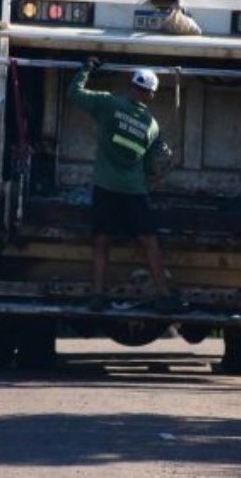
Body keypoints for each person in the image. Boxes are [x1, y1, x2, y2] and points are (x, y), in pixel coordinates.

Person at [66, 56, 179, 313]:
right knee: (149, 242)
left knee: (102, 241)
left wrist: (87, 68)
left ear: (131, 85)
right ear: (151, 95)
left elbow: (74, 93)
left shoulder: (109, 104)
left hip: (105, 188)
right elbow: (151, 167)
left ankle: (97, 295)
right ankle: (164, 295)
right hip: (133, 192)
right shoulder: (152, 126)